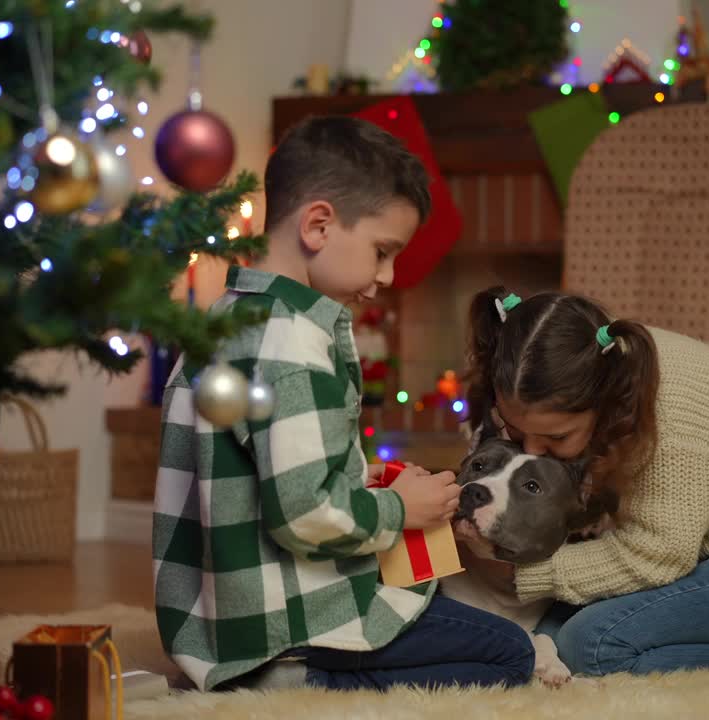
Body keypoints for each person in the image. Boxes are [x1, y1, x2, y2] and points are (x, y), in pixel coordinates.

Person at [152, 118, 534, 693]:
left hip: (220, 623)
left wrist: (364, 478)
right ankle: (300, 683)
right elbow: (306, 513)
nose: (388, 276)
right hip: (295, 624)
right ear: (319, 225)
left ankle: (281, 670)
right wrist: (400, 511)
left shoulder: (228, 317)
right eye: (383, 252)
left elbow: (266, 469)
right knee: (511, 653)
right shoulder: (296, 344)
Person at [459, 286, 709, 678]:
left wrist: (522, 573)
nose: (533, 452)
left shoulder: (676, 409)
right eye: (515, 431)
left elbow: (658, 554)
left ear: (600, 400)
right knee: (544, 638)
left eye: (556, 438)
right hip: (694, 553)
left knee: (588, 647)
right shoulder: (579, 370)